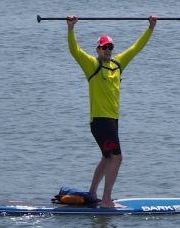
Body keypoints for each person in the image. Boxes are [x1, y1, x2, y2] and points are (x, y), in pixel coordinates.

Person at [67, 15, 157, 208]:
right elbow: (75, 51)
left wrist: (150, 28)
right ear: (98, 49)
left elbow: (136, 48)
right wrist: (71, 28)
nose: (108, 50)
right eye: (104, 47)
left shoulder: (118, 64)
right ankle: (107, 200)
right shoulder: (92, 64)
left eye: (110, 47)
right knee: (116, 158)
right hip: (100, 120)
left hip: (112, 120)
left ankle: (92, 193)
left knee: (107, 157)